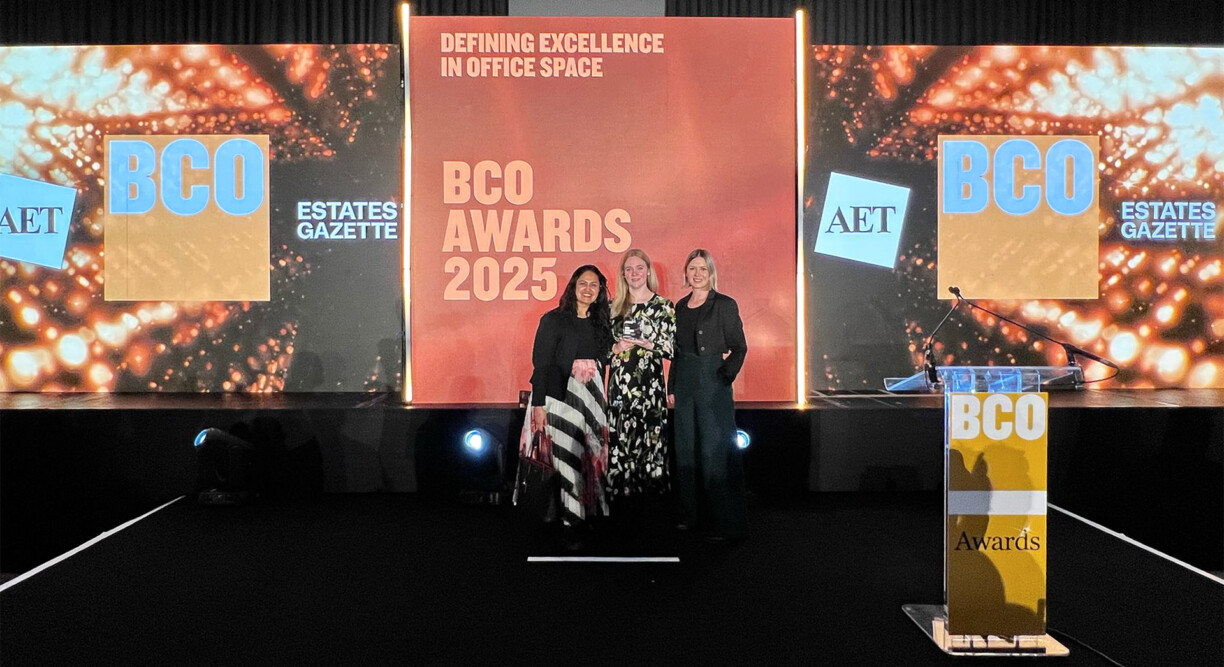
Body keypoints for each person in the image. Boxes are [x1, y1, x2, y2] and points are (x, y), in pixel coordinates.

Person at [521, 265, 615, 545]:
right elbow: (541, 365)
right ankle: (570, 522)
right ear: (573, 286)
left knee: (594, 456)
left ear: (600, 291)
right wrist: (539, 405)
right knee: (566, 458)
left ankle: (591, 515)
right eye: (583, 283)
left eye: (594, 285)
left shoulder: (602, 322)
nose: (588, 289)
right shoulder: (553, 320)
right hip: (560, 398)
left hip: (593, 399)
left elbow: (607, 358)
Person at [667, 248, 748, 542]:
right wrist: (671, 387)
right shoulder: (679, 306)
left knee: (714, 451)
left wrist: (724, 376)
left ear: (711, 272)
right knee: (685, 449)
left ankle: (724, 521)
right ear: (686, 273)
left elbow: (739, 347)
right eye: (692, 269)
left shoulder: (725, 304)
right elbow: (676, 353)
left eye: (703, 268)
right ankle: (690, 515)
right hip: (685, 382)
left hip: (713, 381)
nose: (697, 274)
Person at [606, 249, 676, 509]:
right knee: (620, 445)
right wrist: (616, 348)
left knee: (651, 446)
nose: (634, 273)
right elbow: (600, 349)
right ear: (623, 275)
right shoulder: (612, 307)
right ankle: (621, 507)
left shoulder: (664, 306)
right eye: (628, 269)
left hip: (650, 389)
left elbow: (672, 349)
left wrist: (649, 343)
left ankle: (652, 507)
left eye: (638, 268)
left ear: (648, 271)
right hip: (620, 389)